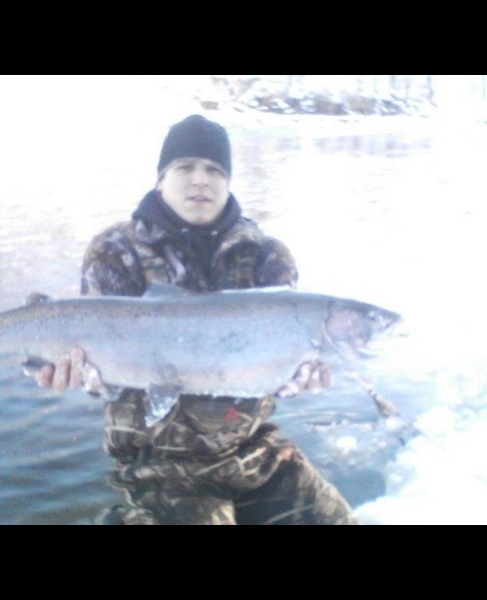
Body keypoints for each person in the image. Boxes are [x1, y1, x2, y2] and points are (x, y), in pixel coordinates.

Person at [33, 114, 360, 525]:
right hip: (157, 464)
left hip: (250, 452)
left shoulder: (267, 256)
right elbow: (104, 374)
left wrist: (298, 379)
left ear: (228, 182)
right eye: (185, 167)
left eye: (214, 170)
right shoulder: (115, 250)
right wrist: (80, 375)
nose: (201, 179)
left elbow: (274, 375)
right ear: (160, 179)